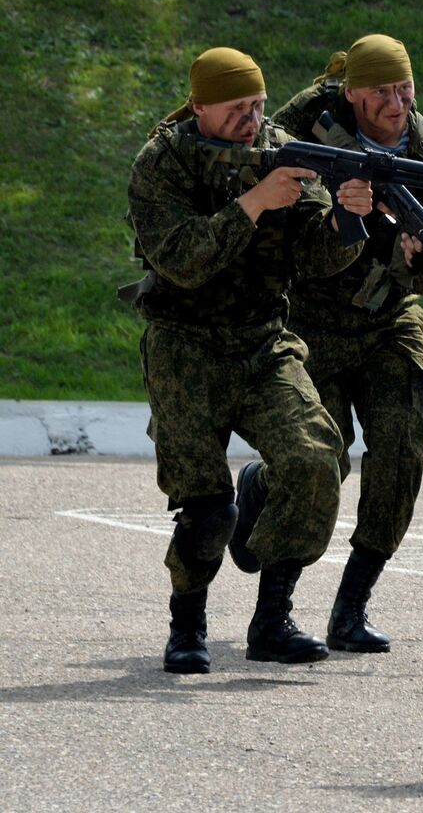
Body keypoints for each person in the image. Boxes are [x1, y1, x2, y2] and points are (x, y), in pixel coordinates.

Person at [125, 47, 374, 674]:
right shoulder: (164, 162)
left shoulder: (283, 150)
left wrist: (347, 219)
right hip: (184, 344)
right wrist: (256, 200)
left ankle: (273, 619)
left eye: (259, 105)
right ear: (200, 107)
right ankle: (187, 624)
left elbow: (317, 258)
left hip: (262, 340)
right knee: (208, 510)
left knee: (317, 460)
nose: (252, 119)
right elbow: (179, 258)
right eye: (237, 109)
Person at [260, 33, 423, 653]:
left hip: (386, 315)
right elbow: (272, 209)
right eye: (380, 91)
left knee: (404, 445)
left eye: (404, 89)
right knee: (321, 458)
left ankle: (351, 607)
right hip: (310, 316)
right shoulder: (304, 123)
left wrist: (419, 260)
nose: (395, 103)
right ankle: (273, 611)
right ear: (352, 93)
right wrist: (340, 211)